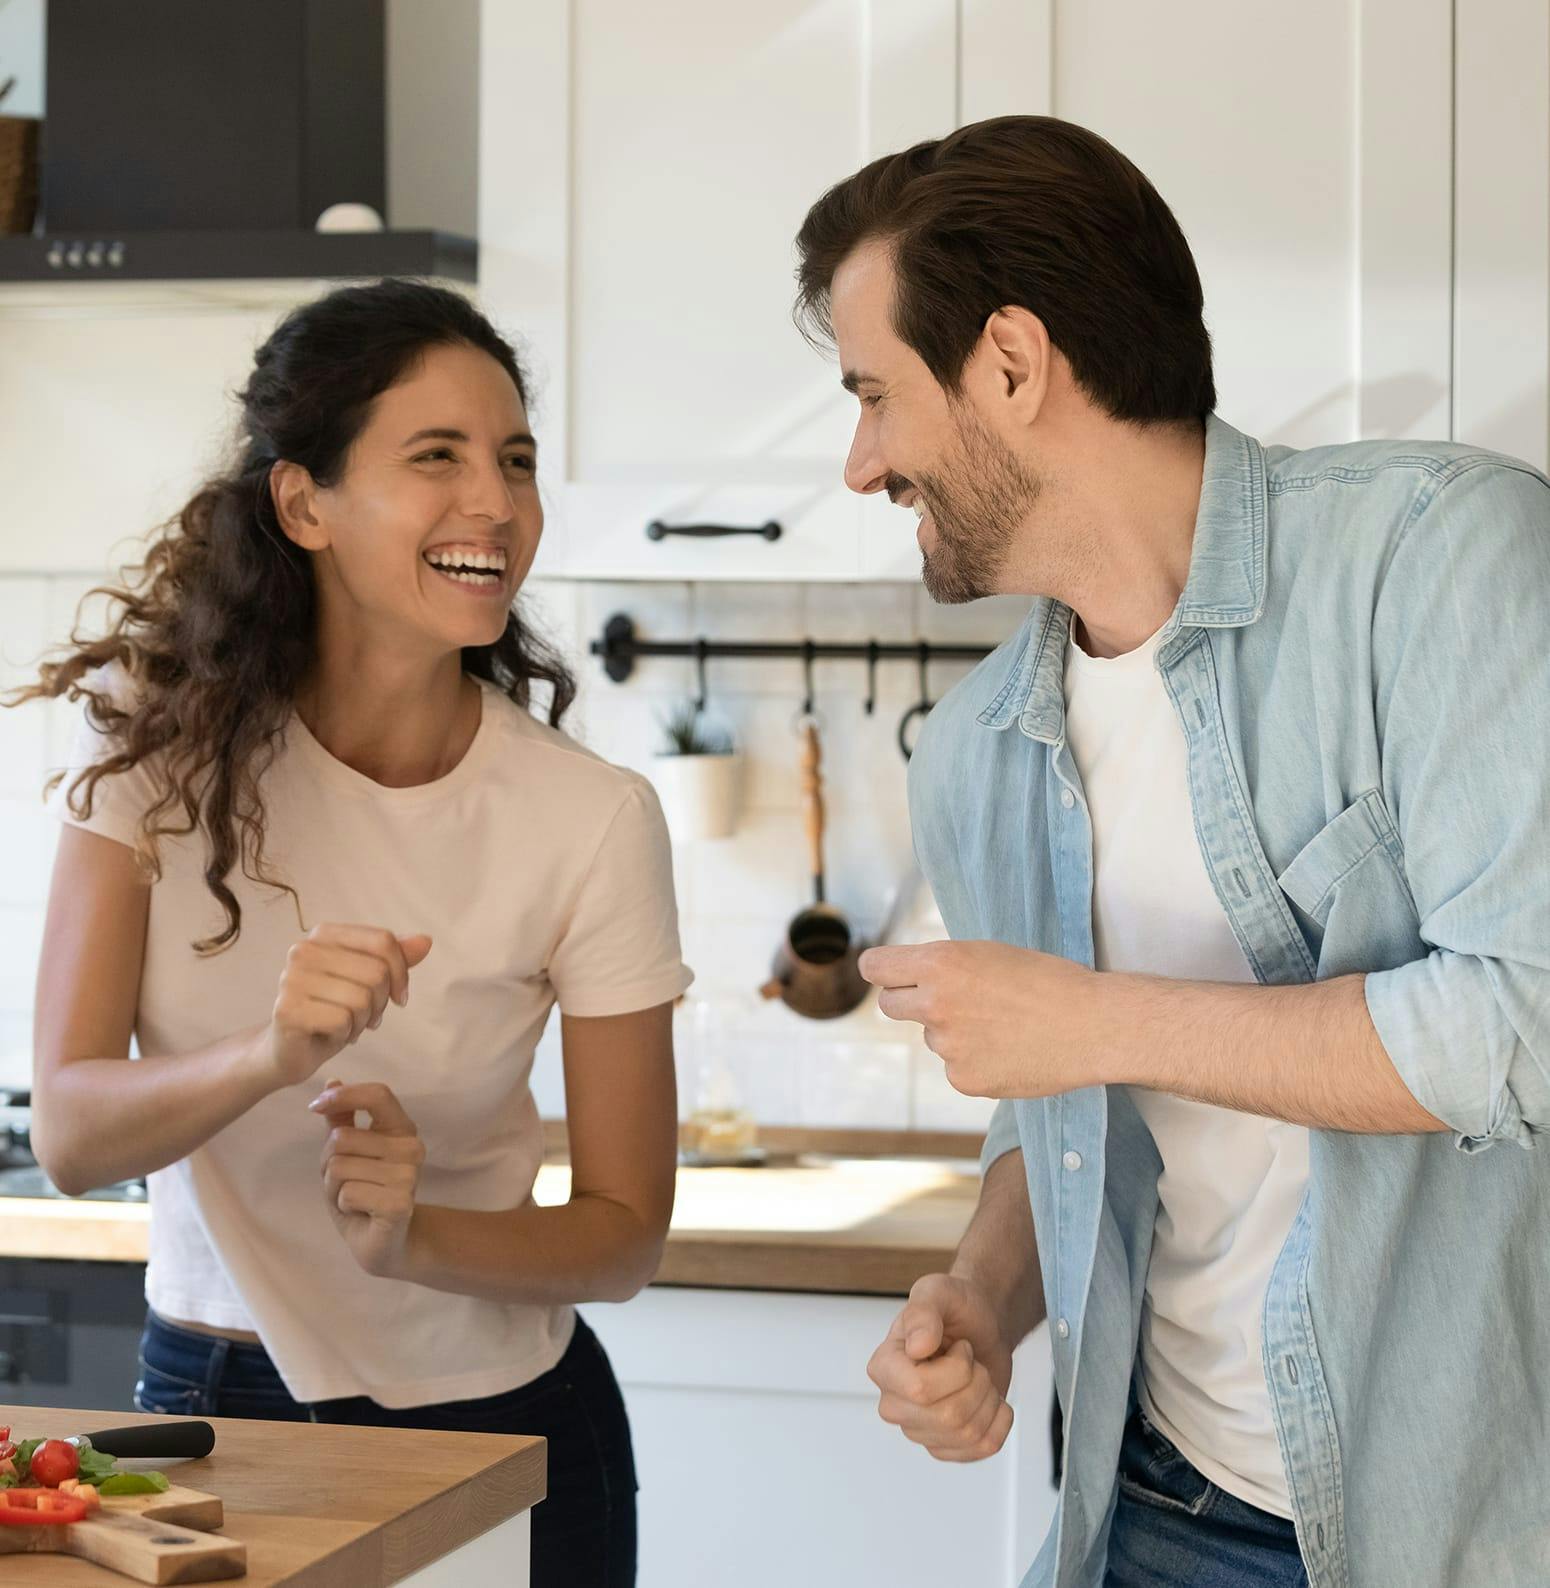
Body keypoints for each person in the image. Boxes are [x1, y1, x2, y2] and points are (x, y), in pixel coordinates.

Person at [792, 115, 1550, 1587]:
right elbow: (1060, 1116)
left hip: (1463, 1528)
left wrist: (1089, 1022)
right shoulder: (977, 747)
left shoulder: (1436, 558)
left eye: (875, 395)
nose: (859, 462)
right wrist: (977, 1293)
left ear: (1009, 363)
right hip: (1154, 1509)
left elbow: (1520, 1025)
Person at [19, 278, 691, 1588]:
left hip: (503, 1420)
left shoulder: (589, 818)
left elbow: (622, 1234)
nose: (493, 504)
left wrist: (415, 1240)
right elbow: (70, 1135)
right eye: (434, 457)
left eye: (514, 461)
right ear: (302, 502)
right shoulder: (149, 759)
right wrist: (270, 1052)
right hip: (211, 1418)